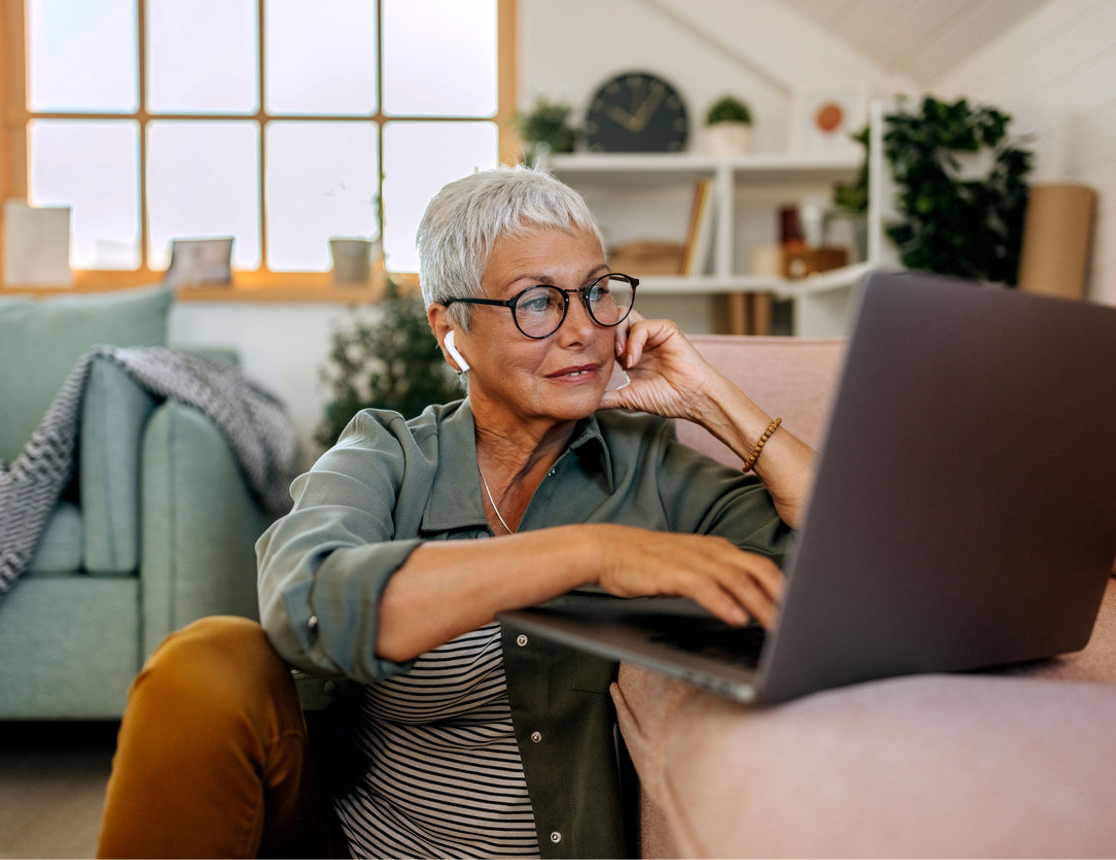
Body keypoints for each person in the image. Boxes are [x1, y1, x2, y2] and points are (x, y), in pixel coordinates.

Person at [97, 165, 814, 859]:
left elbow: (842, 567)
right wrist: (591, 554)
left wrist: (712, 400)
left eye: (598, 292)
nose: (582, 330)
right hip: (351, 846)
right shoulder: (388, 455)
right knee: (207, 662)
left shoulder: (648, 467)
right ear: (451, 330)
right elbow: (305, 602)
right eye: (537, 301)